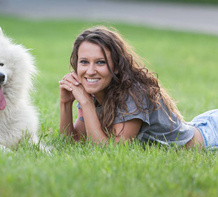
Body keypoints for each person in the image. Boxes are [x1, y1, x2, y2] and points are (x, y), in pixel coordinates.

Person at [59, 26, 218, 149]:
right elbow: (73, 142)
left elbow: (109, 151)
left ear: (116, 66)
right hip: (199, 124)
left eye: (100, 62)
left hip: (211, 137)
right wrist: (65, 103)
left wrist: (86, 104)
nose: (90, 71)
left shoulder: (133, 94)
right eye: (84, 62)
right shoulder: (94, 92)